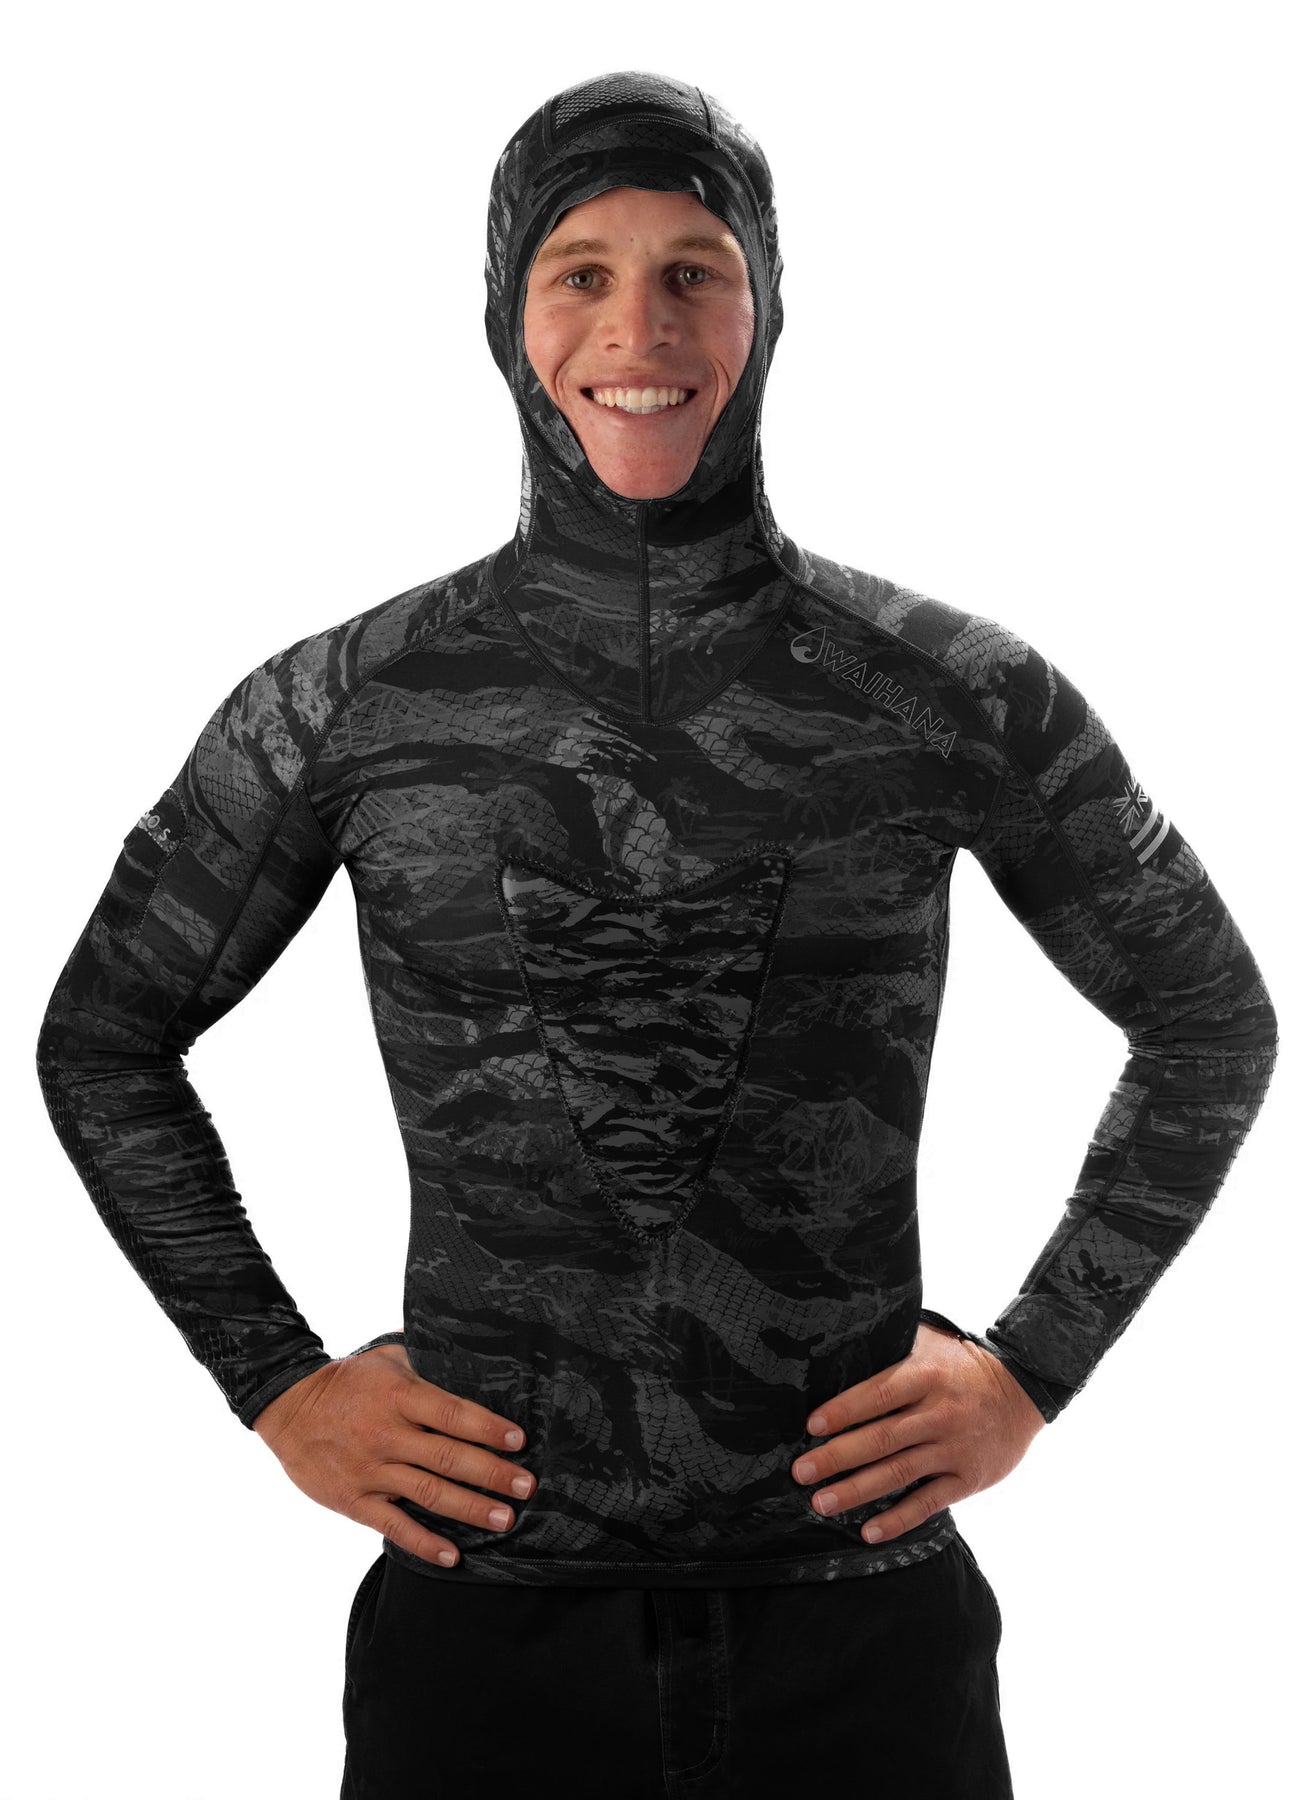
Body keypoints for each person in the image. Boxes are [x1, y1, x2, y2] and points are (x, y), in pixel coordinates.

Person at [36, 70, 1277, 1800]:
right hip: (483, 1627)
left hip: (860, 1620)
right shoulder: (342, 705)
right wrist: (276, 1384)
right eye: (582, 273)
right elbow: (104, 1040)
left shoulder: (951, 692)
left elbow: (1208, 1019)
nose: (641, 326)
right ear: (504, 315)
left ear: (766, 306)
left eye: (695, 268)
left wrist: (1029, 1367)